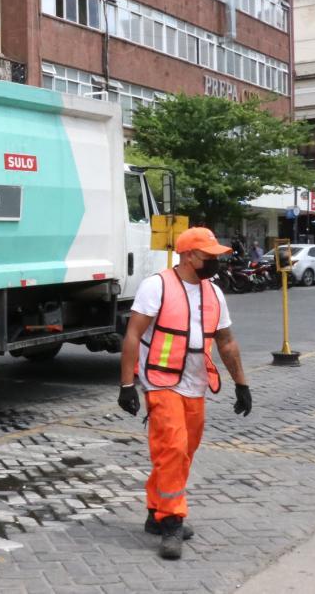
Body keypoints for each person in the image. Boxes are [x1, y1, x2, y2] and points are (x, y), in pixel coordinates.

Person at [118, 227, 252, 561]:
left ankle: (156, 510)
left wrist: (242, 383)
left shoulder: (214, 293)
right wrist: (126, 384)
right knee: (173, 448)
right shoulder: (157, 286)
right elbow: (133, 334)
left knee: (182, 451)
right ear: (189, 255)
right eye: (210, 256)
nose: (216, 261)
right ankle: (172, 522)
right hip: (160, 382)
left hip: (195, 383)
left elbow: (226, 341)